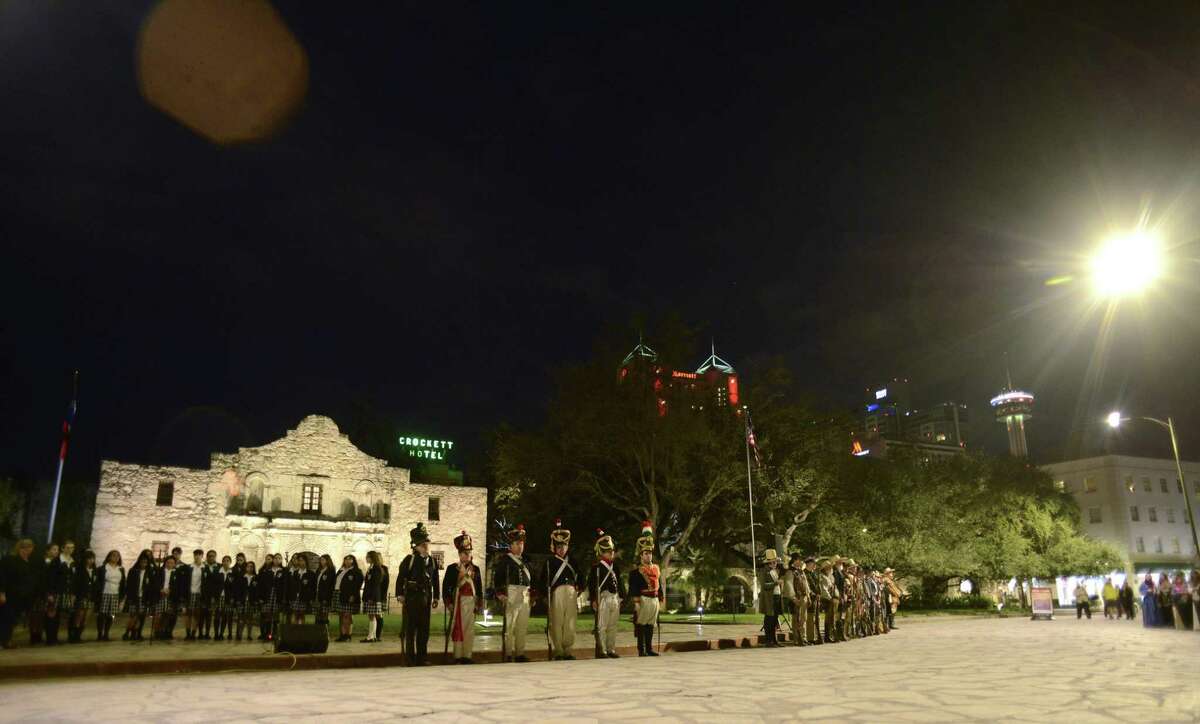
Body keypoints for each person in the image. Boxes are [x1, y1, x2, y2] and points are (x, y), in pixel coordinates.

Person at [396, 523, 438, 665]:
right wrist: (400, 594)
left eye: (426, 544)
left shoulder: (431, 560)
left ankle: (422, 657)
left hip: (426, 597)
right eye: (423, 544)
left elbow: (435, 580)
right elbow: (401, 577)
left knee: (424, 630)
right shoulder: (410, 560)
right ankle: (410, 658)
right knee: (410, 629)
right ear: (416, 546)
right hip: (412, 597)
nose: (426, 546)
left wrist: (436, 596)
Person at [442, 531, 483, 663]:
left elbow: (479, 588)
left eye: (469, 552)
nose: (468, 555)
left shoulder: (475, 569)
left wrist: (479, 603)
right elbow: (446, 588)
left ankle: (467, 655)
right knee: (458, 628)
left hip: (471, 602)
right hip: (458, 601)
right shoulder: (452, 569)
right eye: (465, 553)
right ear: (460, 554)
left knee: (469, 630)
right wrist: (448, 602)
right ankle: (458, 655)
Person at [540, 518, 578, 660]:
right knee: (556, 621)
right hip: (556, 592)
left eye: (564, 546)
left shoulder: (572, 560)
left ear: (567, 546)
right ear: (554, 547)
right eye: (559, 547)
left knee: (570, 621)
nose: (561, 549)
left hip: (571, 592)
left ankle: (568, 649)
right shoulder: (549, 562)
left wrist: (580, 587)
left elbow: (579, 576)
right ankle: (558, 650)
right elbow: (544, 580)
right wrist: (545, 595)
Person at [493, 523, 532, 662]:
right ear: (511, 545)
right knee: (510, 625)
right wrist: (500, 593)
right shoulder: (505, 560)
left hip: (525, 594)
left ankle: (520, 653)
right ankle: (508, 653)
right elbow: (497, 578)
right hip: (512, 592)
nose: (520, 546)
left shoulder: (526, 561)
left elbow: (530, 580)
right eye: (517, 543)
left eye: (521, 543)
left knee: (522, 625)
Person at [586, 528, 624, 659]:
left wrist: (622, 597)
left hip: (614, 598)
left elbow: (620, 583)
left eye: (612, 551)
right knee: (602, 626)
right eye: (608, 551)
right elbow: (591, 585)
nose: (611, 553)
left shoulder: (615, 567)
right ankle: (601, 650)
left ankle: (611, 649)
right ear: (601, 553)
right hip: (603, 597)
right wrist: (593, 599)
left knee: (613, 626)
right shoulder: (596, 567)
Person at [628, 521, 663, 657]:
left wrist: (661, 597)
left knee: (650, 624)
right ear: (641, 555)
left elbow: (659, 584)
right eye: (646, 554)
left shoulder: (656, 568)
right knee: (641, 625)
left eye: (650, 553)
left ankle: (649, 648)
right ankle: (641, 649)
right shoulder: (636, 571)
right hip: (643, 599)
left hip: (654, 599)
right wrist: (636, 602)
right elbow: (634, 587)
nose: (648, 556)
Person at [0, 539, 37, 649]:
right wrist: (1, 592)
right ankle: (3, 641)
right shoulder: (10, 560)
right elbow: (2, 577)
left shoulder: (27, 561)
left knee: (12, 619)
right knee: (5, 618)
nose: (28, 550)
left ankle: (7, 640)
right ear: (20, 548)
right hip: (9, 594)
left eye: (30, 548)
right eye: (25, 548)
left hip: (19, 596)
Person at [45, 542, 73, 645]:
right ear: (63, 548)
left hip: (64, 592)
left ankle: (54, 637)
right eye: (68, 547)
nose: (70, 550)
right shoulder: (57, 561)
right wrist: (50, 593)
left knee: (58, 615)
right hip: (55, 592)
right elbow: (51, 578)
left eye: (72, 548)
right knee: (52, 614)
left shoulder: (72, 561)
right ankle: (50, 639)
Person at [69, 550, 98, 643]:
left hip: (91, 596)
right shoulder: (80, 570)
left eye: (92, 558)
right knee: (79, 615)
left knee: (86, 617)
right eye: (89, 558)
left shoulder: (94, 570)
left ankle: (79, 635)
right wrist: (73, 596)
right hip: (81, 595)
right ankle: (74, 636)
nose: (91, 560)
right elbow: (75, 583)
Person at [123, 550, 153, 641]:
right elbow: (129, 584)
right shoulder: (133, 571)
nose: (144, 563)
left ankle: (136, 633)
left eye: (145, 562)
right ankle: (127, 632)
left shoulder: (149, 572)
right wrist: (129, 597)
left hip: (144, 597)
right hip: (135, 596)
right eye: (142, 561)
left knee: (141, 616)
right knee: (133, 615)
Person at [333, 554, 363, 643]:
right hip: (338, 594)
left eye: (349, 559)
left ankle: (348, 635)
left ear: (353, 560)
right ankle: (342, 634)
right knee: (341, 616)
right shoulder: (341, 570)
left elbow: (357, 584)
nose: (347, 561)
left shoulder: (356, 571)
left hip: (349, 595)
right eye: (345, 559)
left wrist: (353, 595)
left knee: (347, 616)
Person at [96, 550, 124, 642]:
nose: (115, 557)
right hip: (105, 592)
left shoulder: (120, 569)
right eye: (113, 555)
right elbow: (99, 581)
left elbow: (123, 582)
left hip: (115, 593)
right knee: (102, 614)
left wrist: (122, 595)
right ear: (109, 557)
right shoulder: (103, 568)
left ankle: (106, 633)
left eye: (117, 556)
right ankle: (100, 633)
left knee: (111, 615)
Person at [147, 555, 177, 639]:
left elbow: (177, 585)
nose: (170, 564)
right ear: (165, 563)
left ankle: (163, 631)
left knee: (167, 615)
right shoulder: (159, 571)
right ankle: (156, 632)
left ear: (174, 564)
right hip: (159, 595)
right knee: (158, 615)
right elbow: (154, 583)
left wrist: (170, 590)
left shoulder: (176, 573)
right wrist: (160, 590)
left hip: (170, 597)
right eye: (168, 562)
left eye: (172, 563)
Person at [758, 549, 782, 647]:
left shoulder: (775, 571)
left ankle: (774, 639)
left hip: (776, 596)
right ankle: (768, 640)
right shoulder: (764, 571)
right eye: (772, 562)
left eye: (775, 561)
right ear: (768, 562)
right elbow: (764, 585)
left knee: (775, 619)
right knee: (769, 619)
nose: (775, 563)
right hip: (769, 598)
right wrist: (776, 583)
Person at [361, 551, 386, 643]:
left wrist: (371, 597)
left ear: (372, 558)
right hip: (370, 596)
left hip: (373, 596)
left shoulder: (376, 569)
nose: (366, 558)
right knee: (372, 616)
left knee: (372, 616)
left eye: (368, 557)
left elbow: (375, 584)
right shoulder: (371, 568)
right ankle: (373, 636)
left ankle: (371, 636)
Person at [228, 560, 256, 642]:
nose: (249, 568)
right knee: (241, 618)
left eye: (251, 566)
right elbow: (237, 589)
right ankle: (239, 635)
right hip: (242, 600)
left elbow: (257, 590)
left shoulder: (256, 577)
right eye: (248, 566)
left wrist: (255, 600)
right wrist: (237, 599)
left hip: (251, 601)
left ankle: (249, 635)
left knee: (250, 619)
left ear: (253, 568)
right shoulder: (241, 577)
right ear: (245, 567)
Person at [286, 554, 315, 626]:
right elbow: (292, 586)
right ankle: (295, 630)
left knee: (301, 615)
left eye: (302, 560)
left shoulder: (310, 573)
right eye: (299, 560)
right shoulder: (295, 573)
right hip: (295, 597)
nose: (301, 562)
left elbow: (312, 587)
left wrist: (310, 598)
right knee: (295, 614)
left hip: (304, 597)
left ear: (306, 561)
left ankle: (301, 630)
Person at [256, 556, 280, 641]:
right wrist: (260, 596)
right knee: (264, 615)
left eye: (270, 559)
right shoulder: (264, 571)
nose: (268, 561)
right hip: (266, 595)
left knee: (273, 616)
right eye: (267, 559)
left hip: (274, 595)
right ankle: (264, 633)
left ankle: (271, 634)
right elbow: (261, 584)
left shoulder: (279, 571)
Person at [212, 555, 235, 640]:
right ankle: (216, 634)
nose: (226, 562)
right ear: (222, 562)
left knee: (225, 616)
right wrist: (213, 596)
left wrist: (232, 597)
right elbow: (213, 585)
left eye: (228, 561)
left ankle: (221, 634)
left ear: (230, 562)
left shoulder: (232, 573)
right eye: (224, 561)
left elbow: (234, 587)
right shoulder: (217, 572)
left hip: (227, 598)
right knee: (217, 616)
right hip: (218, 597)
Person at [818, 557, 839, 643]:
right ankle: (827, 636)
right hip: (828, 600)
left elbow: (834, 587)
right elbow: (824, 590)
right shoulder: (822, 577)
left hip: (834, 599)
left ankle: (831, 635)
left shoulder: (831, 576)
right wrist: (830, 598)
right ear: (825, 568)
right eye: (828, 567)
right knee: (829, 618)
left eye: (830, 567)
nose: (830, 569)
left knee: (833, 618)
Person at [314, 554, 336, 633]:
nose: (321, 561)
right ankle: (317, 631)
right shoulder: (319, 570)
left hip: (326, 596)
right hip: (317, 594)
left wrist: (327, 597)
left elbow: (330, 586)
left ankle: (325, 632)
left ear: (327, 561)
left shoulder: (331, 571)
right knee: (317, 614)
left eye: (323, 560)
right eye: (321, 560)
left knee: (324, 614)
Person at [802, 556, 822, 645]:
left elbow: (817, 585)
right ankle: (811, 637)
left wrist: (819, 594)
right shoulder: (805, 573)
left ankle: (815, 636)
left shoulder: (814, 573)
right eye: (813, 564)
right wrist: (814, 595)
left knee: (815, 618)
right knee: (810, 619)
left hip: (816, 598)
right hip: (810, 598)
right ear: (809, 564)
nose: (815, 565)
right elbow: (807, 587)